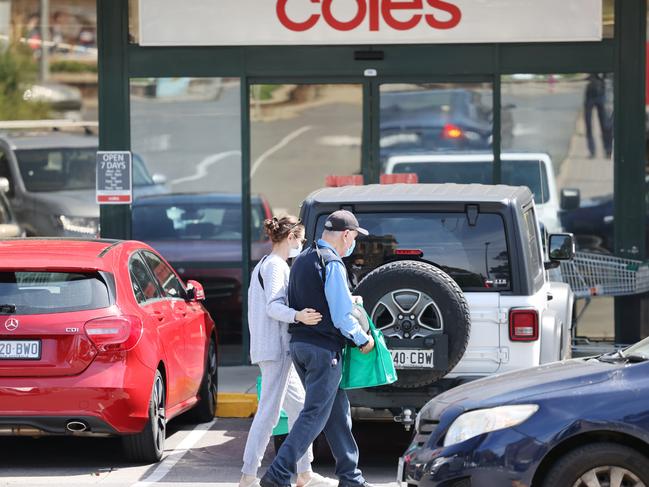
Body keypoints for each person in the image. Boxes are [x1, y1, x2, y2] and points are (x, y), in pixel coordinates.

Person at [260, 210, 375, 487]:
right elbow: (340, 315)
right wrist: (362, 338)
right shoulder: (332, 263)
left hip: (301, 347)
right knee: (313, 416)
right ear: (346, 235)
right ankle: (277, 476)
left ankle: (351, 477)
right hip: (324, 351)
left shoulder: (302, 259)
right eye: (354, 238)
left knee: (337, 413)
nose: (353, 244)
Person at [241, 215, 335, 487]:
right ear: (291, 236)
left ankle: (305, 473)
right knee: (269, 414)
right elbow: (273, 306)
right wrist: (299, 316)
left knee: (301, 409)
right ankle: (248, 476)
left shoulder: (266, 264)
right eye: (301, 238)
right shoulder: (275, 267)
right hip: (276, 349)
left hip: (273, 348)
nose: (303, 243)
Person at [584, 73, 613, 159]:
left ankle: (608, 150)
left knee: (605, 124)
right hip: (590, 93)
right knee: (588, 124)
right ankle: (592, 151)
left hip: (601, 92)